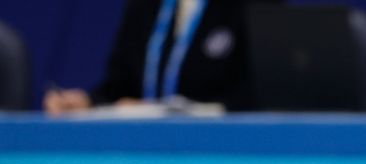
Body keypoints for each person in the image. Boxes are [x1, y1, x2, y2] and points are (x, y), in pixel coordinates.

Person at [44, 0, 273, 115]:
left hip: (221, 153)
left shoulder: (251, 5)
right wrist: (88, 102)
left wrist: (185, 113)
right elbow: (121, 86)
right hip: (146, 153)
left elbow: (260, 96)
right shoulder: (147, 5)